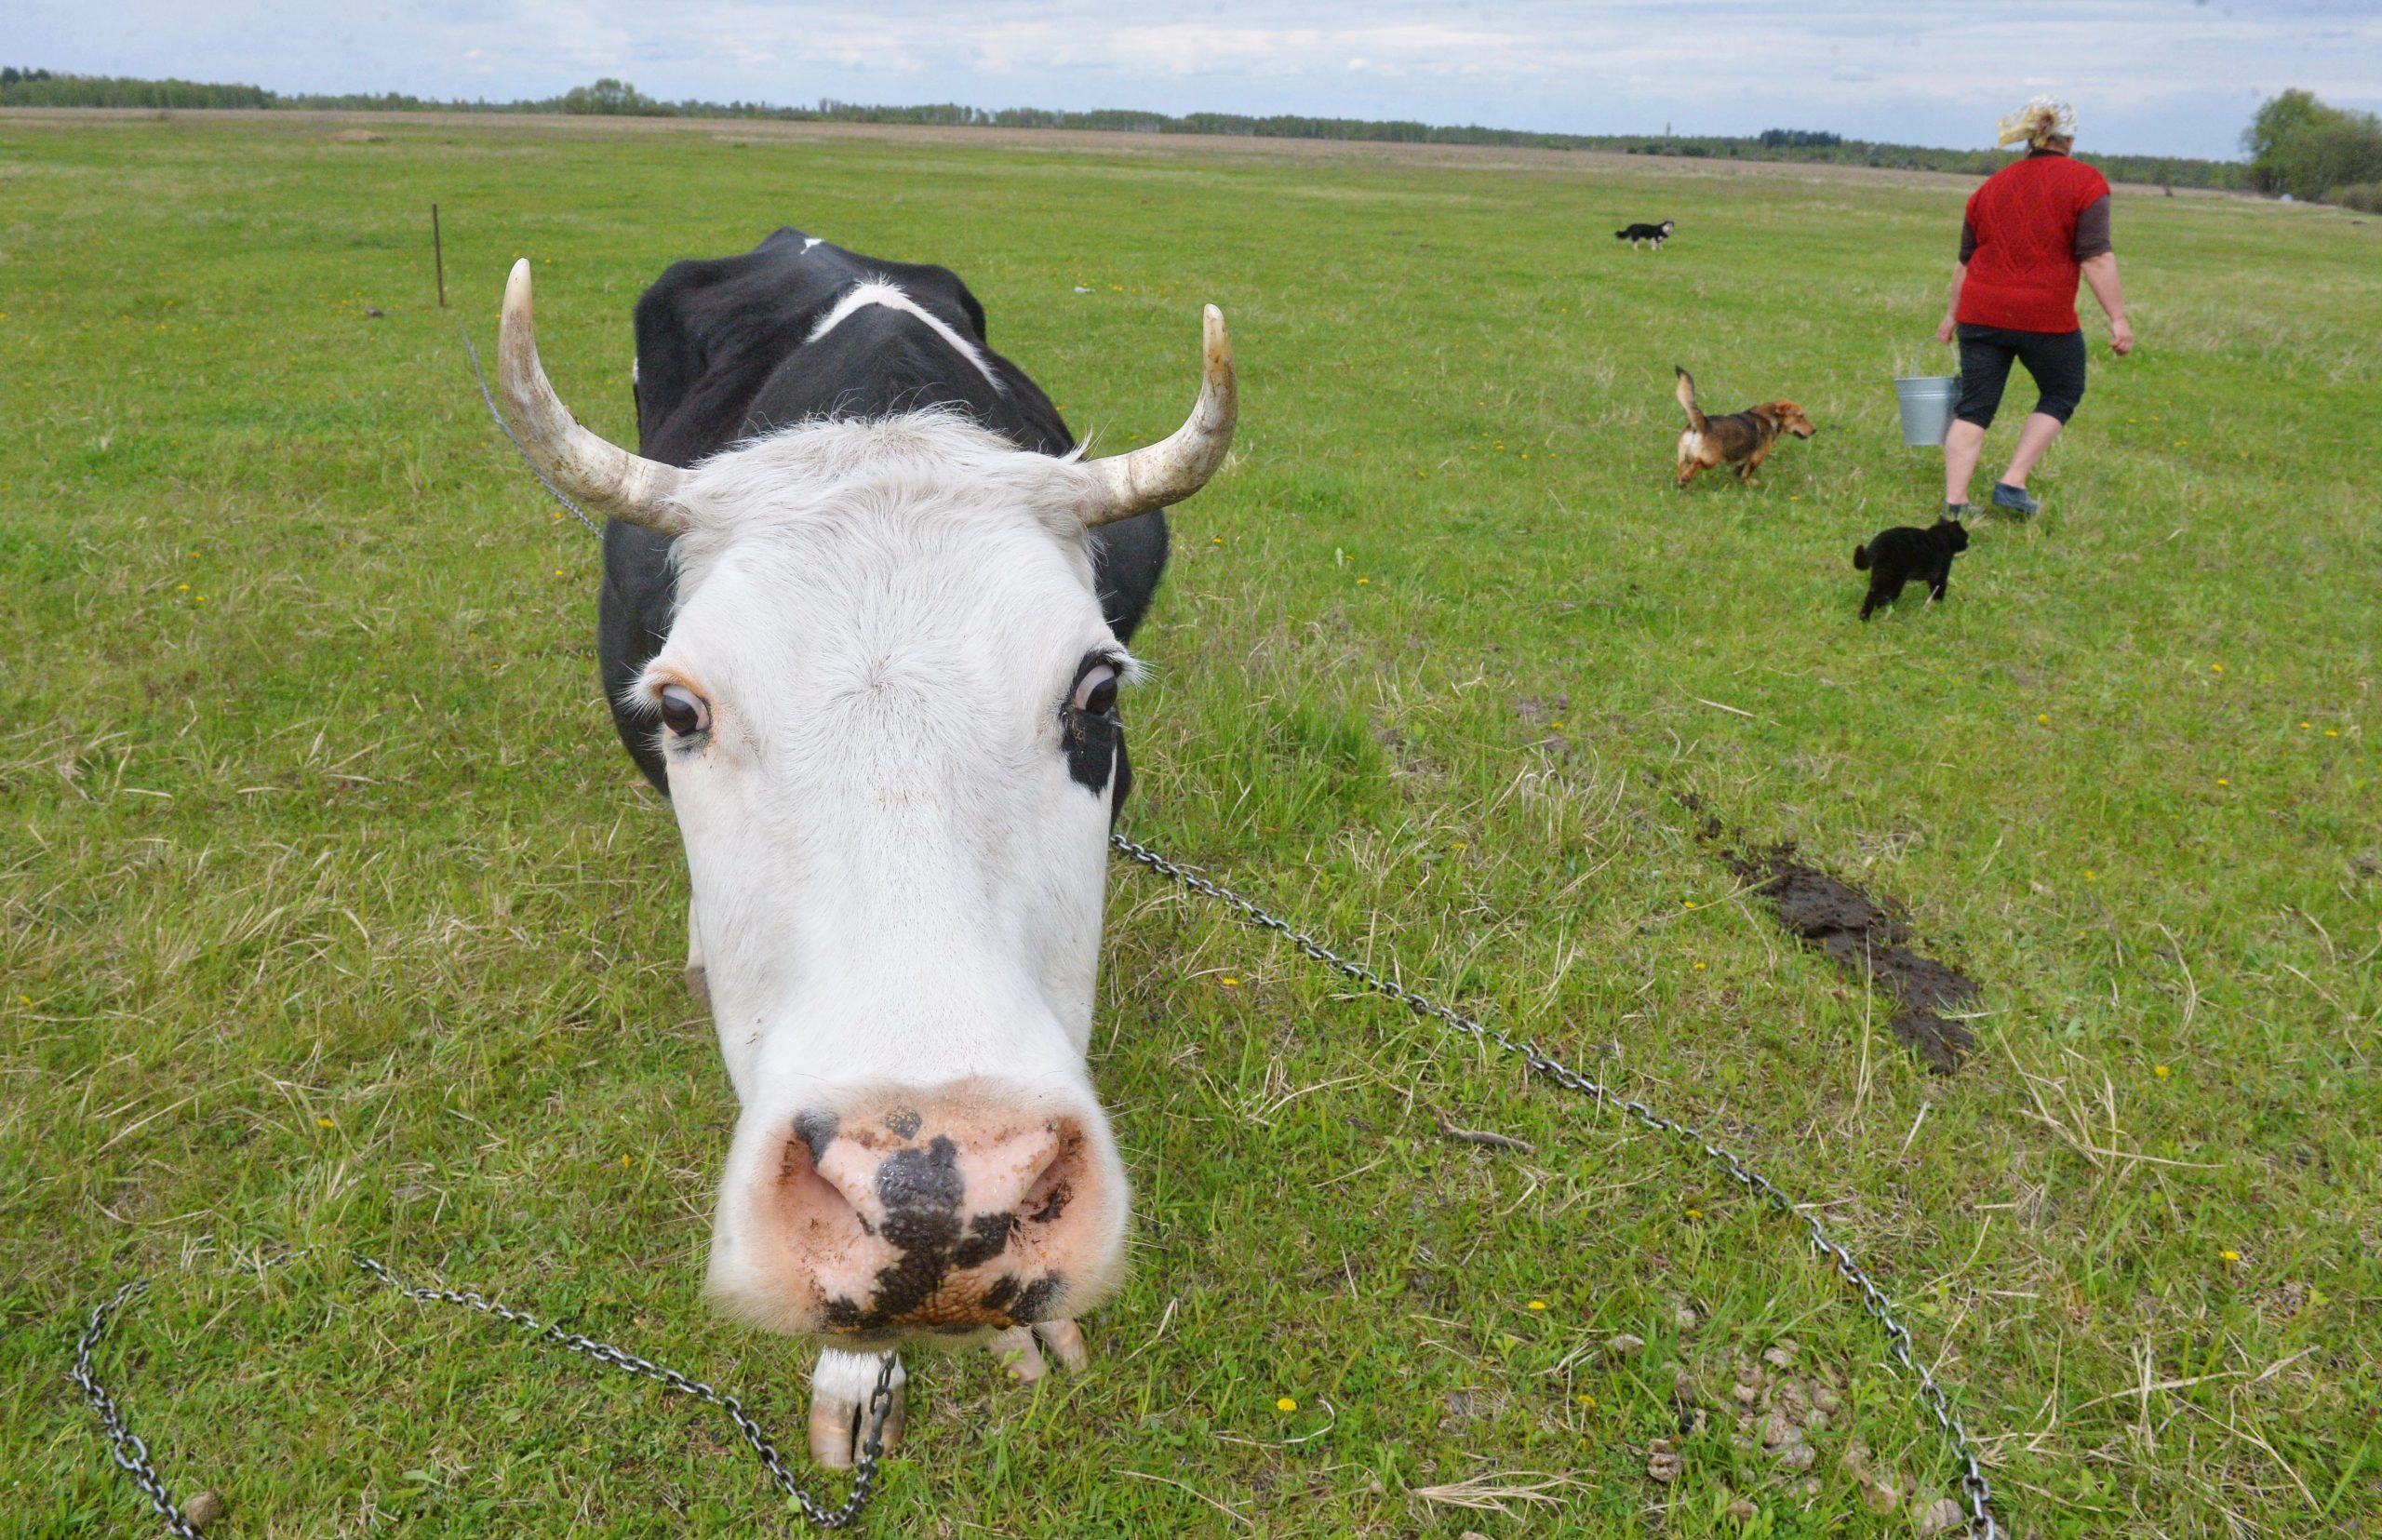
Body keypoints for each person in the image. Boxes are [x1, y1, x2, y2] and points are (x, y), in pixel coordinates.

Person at [1934, 97, 2133, 518]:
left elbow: (1964, 262)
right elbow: (2095, 257)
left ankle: (1955, 504)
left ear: (2029, 137)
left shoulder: (1991, 185)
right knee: (2062, 390)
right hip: (2045, 318)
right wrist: (2117, 318)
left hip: (1981, 312)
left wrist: (1952, 314)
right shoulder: (2086, 182)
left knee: (1974, 407)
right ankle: (2012, 481)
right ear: (2070, 138)